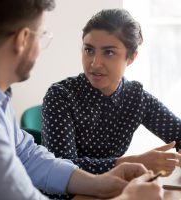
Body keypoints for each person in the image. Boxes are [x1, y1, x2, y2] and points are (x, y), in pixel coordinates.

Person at [0, 1, 163, 200]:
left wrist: (98, 183)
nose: (95, 63)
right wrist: (130, 198)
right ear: (23, 39)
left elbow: (27, 156)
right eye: (42, 36)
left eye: (109, 52)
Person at [42, 8, 181, 177]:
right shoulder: (60, 95)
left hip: (112, 190)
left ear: (131, 57)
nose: (95, 63)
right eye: (89, 50)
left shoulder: (136, 98)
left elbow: (178, 132)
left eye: (109, 52)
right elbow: (61, 169)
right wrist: (132, 163)